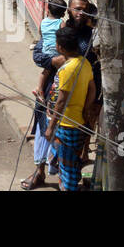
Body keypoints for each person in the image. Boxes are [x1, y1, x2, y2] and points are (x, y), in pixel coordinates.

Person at [44, 24, 97, 191]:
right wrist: (86, 109)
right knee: (69, 162)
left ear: (60, 46)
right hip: (78, 121)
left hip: (66, 125)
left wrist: (51, 126)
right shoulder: (85, 63)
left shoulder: (67, 69)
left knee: (67, 166)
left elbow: (61, 101)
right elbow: (92, 88)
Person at [32, 0, 68, 101]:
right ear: (63, 14)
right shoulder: (61, 23)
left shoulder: (43, 21)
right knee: (57, 71)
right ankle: (41, 90)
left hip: (45, 50)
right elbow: (64, 36)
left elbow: (40, 33)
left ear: (48, 11)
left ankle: (39, 88)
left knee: (46, 70)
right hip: (56, 51)